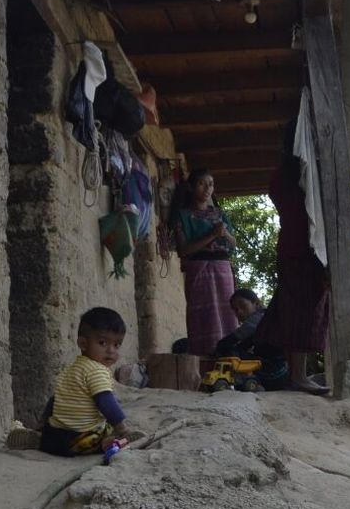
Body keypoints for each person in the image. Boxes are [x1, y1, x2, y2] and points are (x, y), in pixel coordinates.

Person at [256, 154, 331, 394]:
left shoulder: (280, 174)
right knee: (303, 312)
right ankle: (298, 376)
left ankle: (296, 375)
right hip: (302, 249)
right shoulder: (298, 173)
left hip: (291, 246)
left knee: (292, 311)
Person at [39, 307, 147, 456]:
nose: (111, 350)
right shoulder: (96, 370)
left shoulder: (71, 370)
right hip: (81, 438)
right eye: (103, 343)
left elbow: (54, 401)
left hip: (56, 435)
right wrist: (122, 429)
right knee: (108, 427)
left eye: (116, 345)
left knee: (55, 429)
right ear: (83, 344)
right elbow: (106, 402)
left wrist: (42, 424)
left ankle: (40, 437)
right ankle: (103, 444)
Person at [171, 168, 239, 370]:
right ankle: (205, 367)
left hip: (223, 268)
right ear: (191, 187)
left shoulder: (220, 214)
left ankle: (228, 362)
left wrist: (224, 234)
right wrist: (212, 236)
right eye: (202, 183)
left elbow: (233, 244)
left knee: (227, 314)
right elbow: (184, 250)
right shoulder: (182, 216)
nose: (208, 188)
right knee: (203, 316)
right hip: (198, 267)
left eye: (211, 184)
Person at [215, 288, 289, 390]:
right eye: (235, 309)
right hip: (275, 370)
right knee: (232, 351)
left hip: (275, 370)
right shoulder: (262, 321)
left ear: (256, 304)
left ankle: (245, 382)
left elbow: (233, 338)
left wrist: (219, 348)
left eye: (243, 306)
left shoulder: (259, 318)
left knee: (229, 351)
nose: (239, 312)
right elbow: (244, 345)